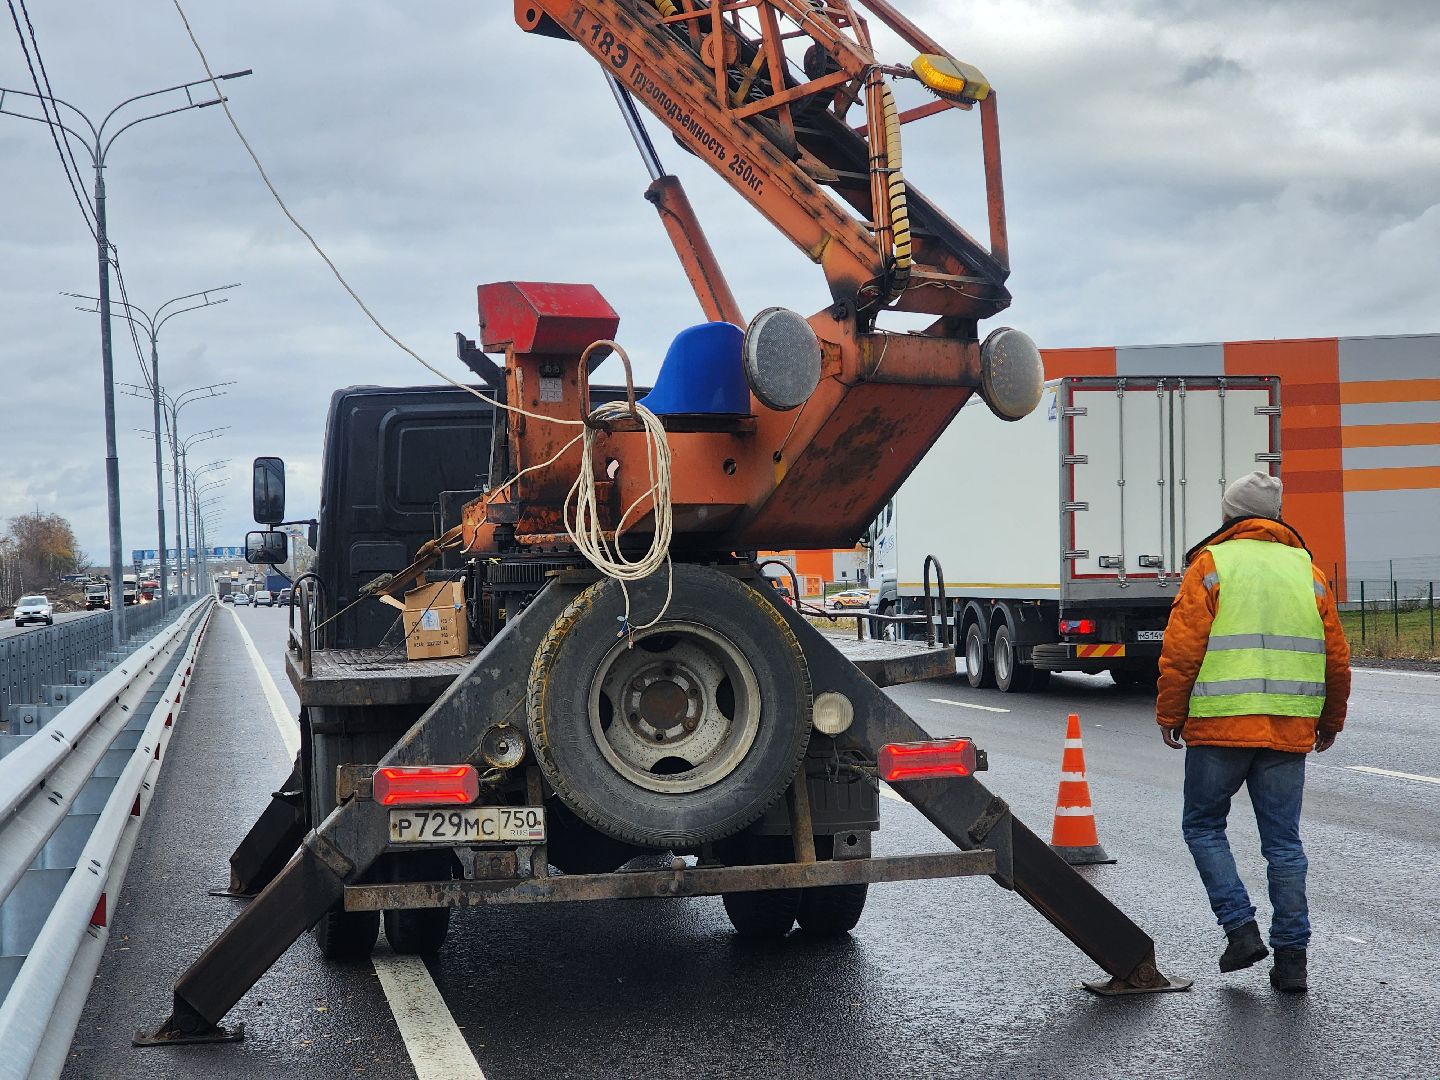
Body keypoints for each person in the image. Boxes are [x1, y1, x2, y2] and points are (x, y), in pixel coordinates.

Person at [1156, 471, 1350, 992]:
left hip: (1220, 727)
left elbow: (1182, 651)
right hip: (1288, 728)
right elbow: (1336, 656)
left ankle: (1241, 930)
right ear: (1277, 516)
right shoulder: (1307, 570)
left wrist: (1170, 714)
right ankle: (1292, 961)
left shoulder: (1211, 565)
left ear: (1229, 515)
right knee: (1284, 845)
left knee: (1202, 826)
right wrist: (1330, 720)